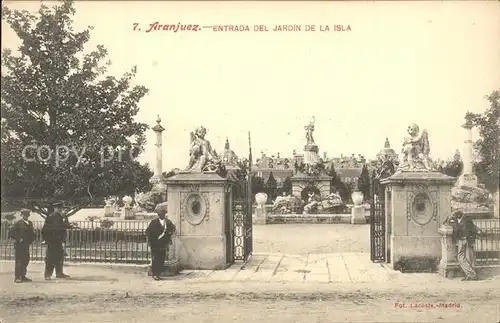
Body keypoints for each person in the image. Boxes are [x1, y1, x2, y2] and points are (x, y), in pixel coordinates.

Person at [145, 204, 176, 280]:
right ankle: (155, 274)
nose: (161, 215)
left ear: (164, 214)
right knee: (155, 259)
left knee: (161, 259)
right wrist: (149, 242)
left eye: (162, 214)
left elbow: (173, 228)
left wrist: (169, 233)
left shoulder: (168, 222)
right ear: (158, 214)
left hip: (163, 244)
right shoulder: (153, 222)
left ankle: (158, 273)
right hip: (155, 244)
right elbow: (148, 232)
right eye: (160, 214)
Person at [42, 202, 70, 280]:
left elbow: (63, 229)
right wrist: (47, 240)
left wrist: (63, 240)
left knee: (59, 258)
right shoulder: (50, 217)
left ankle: (59, 273)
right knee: (50, 258)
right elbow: (44, 230)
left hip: (59, 241)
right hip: (52, 241)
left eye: (60, 208)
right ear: (54, 208)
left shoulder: (61, 217)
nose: (59, 209)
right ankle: (47, 275)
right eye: (58, 208)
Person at [452, 211, 481, 281]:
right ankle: (470, 275)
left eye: (455, 215)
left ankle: (472, 274)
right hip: (464, 240)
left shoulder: (465, 220)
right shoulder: (461, 220)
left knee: (461, 258)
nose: (455, 216)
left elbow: (469, 229)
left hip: (464, 240)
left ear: (459, 215)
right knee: (466, 258)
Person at [9, 209, 36, 283]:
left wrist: (32, 240)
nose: (26, 216)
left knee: (26, 260)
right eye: (24, 215)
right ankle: (17, 277)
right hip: (19, 245)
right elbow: (11, 232)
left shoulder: (30, 223)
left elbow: (31, 233)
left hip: (26, 244)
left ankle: (23, 276)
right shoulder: (18, 223)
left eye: (27, 215)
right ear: (21, 215)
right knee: (19, 261)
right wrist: (18, 239)